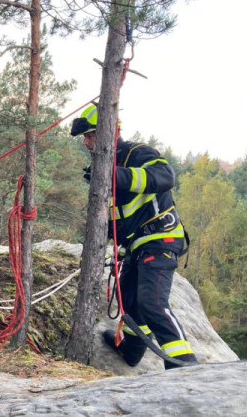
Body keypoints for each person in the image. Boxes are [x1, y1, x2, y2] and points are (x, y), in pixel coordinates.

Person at [71, 104, 198, 369]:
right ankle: (131, 349)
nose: (85, 142)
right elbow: (114, 218)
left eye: (90, 136)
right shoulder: (98, 171)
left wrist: (114, 176)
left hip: (160, 238)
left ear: (109, 132)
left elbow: (165, 176)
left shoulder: (137, 153)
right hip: (136, 246)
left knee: (151, 303)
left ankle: (185, 365)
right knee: (129, 300)